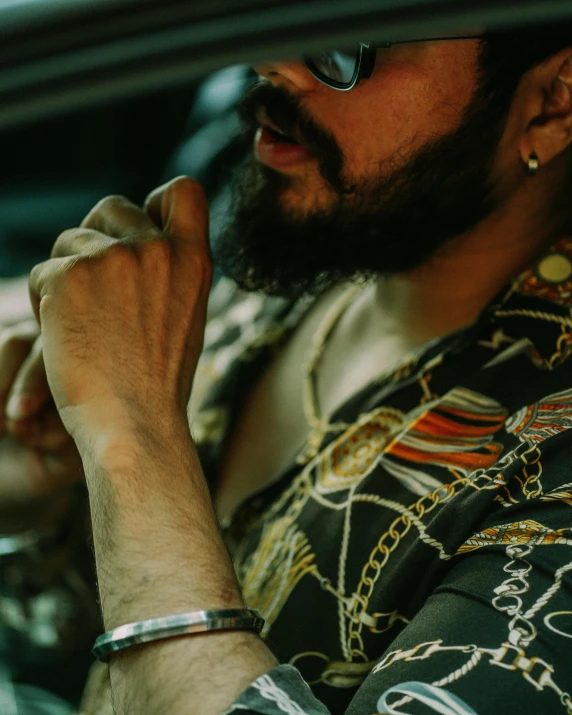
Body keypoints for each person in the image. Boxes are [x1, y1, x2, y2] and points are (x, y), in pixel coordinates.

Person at [1, 23, 572, 715]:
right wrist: (51, 504)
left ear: (554, 102)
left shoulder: (550, 465)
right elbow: (93, 654)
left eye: (356, 38)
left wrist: (136, 442)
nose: (269, 61)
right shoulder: (305, 245)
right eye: (289, 11)